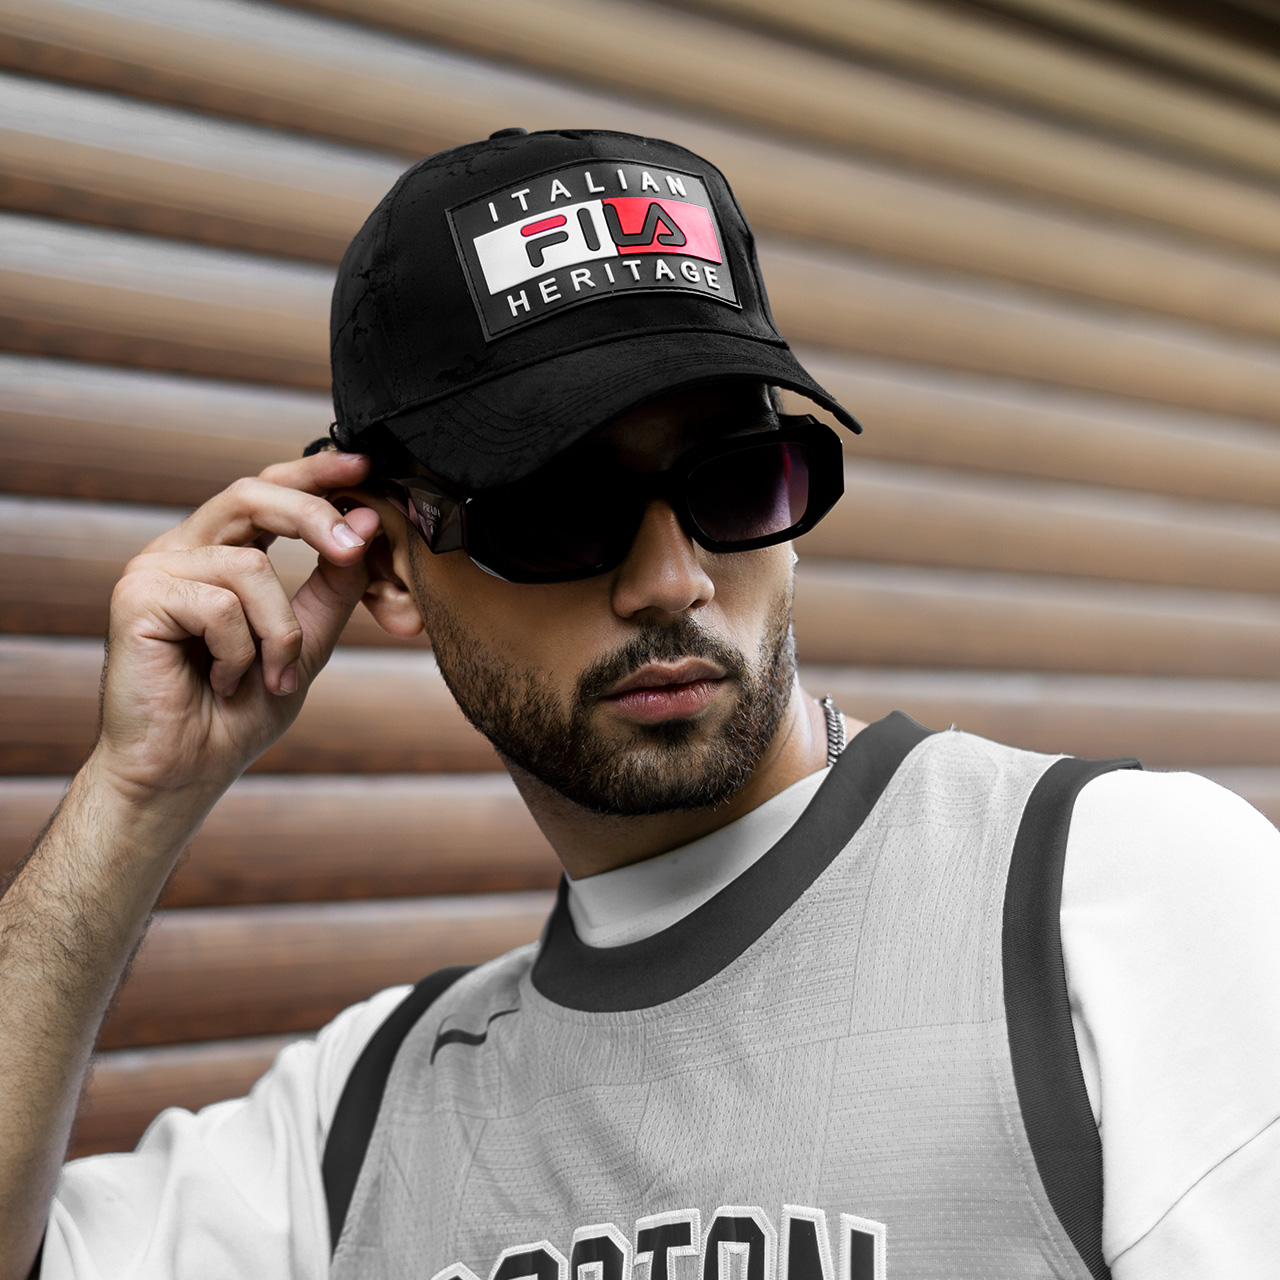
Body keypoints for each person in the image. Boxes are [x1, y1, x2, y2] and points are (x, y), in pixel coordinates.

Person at [2, 128, 1278, 1280]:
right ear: (385, 564)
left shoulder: (1110, 896)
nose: (673, 580)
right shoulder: (358, 1125)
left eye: (738, 480)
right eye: (561, 509)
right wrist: (134, 795)